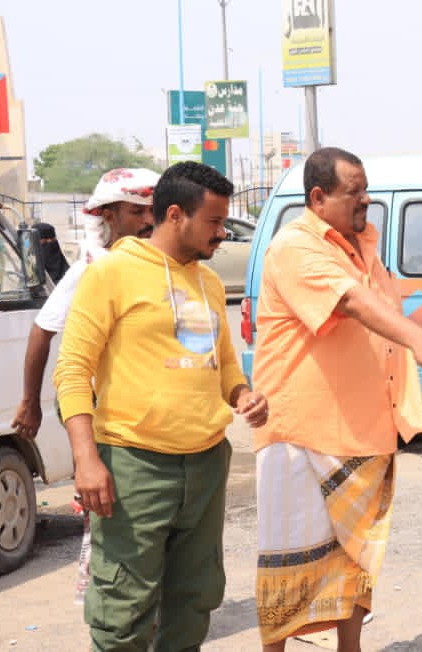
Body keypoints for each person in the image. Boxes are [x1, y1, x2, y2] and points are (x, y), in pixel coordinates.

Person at [250, 147, 422, 652]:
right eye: (355, 192)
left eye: (366, 189)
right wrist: (419, 339)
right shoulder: (294, 247)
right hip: (301, 432)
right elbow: (349, 302)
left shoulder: (363, 243)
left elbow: (379, 306)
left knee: (358, 559)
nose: (366, 200)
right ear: (318, 197)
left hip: (366, 428)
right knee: (291, 565)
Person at [53, 161, 267, 650]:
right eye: (213, 223)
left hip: (207, 465)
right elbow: (71, 371)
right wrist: (86, 460)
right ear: (175, 215)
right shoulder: (112, 274)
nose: (221, 234)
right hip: (133, 466)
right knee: (123, 612)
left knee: (194, 602)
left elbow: (224, 363)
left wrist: (242, 394)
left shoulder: (209, 283)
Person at [12, 168, 160, 439]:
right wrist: (30, 402)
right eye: (137, 212)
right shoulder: (93, 268)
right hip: (101, 407)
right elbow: (42, 330)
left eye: (152, 210)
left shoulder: (167, 265)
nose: (148, 220)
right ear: (109, 216)